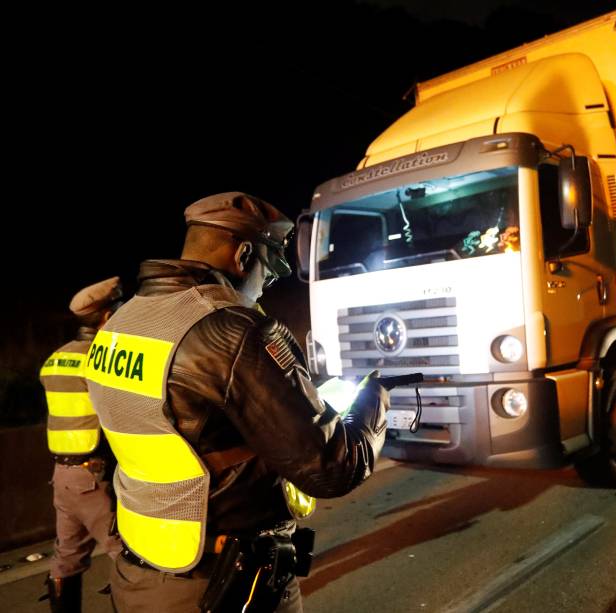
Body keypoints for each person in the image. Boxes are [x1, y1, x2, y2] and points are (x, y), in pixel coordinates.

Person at [84, 192, 389, 612]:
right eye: (269, 269)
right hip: (221, 584)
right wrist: (374, 399)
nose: (267, 284)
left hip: (138, 570)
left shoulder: (123, 322)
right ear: (244, 254)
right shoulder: (233, 329)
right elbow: (332, 468)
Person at [39, 277, 125, 612]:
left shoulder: (56, 358)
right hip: (95, 475)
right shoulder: (102, 360)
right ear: (106, 316)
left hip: (63, 476)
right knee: (128, 555)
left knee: (66, 558)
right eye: (117, 309)